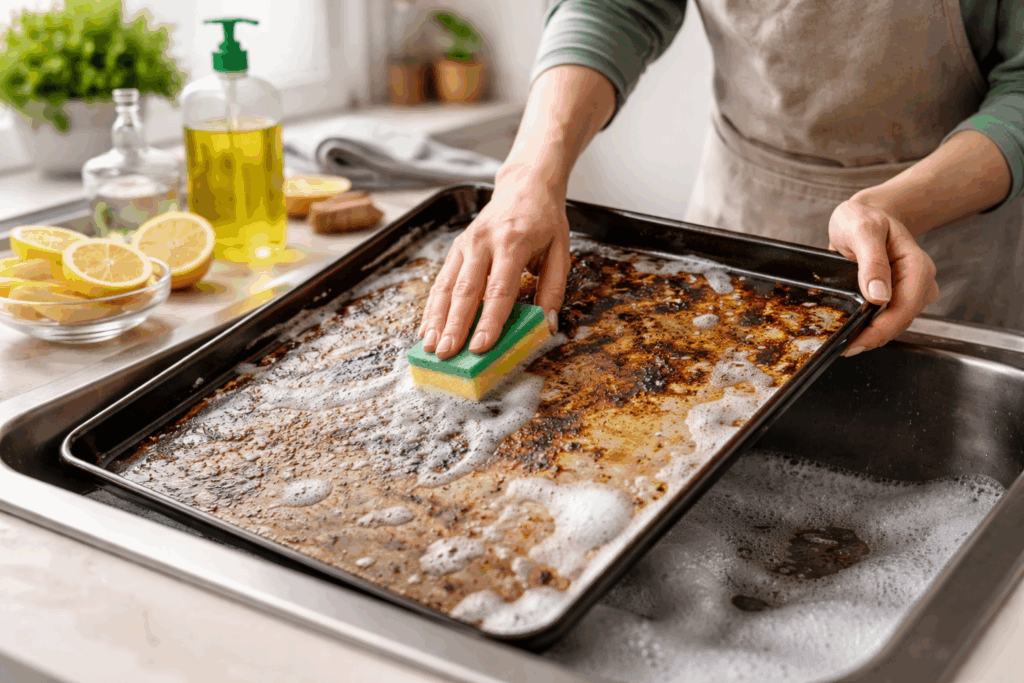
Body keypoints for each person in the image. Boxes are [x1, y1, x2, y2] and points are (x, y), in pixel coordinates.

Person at [418, 0, 1024, 361]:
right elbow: (614, 6)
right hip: (741, 208)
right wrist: (529, 173)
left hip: (937, 232)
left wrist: (900, 205)